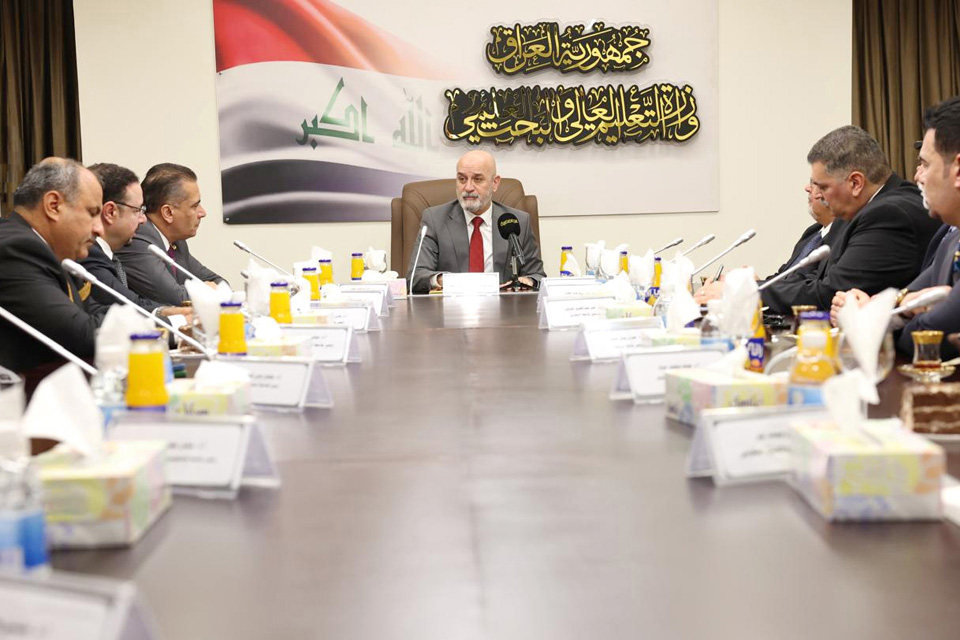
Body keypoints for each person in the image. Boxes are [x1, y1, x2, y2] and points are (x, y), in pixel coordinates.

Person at [758, 125, 937, 313]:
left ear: (855, 183)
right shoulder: (855, 210)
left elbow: (831, 292)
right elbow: (815, 278)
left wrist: (750, 294)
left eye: (824, 187)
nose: (820, 196)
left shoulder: (890, 215)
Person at [833, 96, 960, 358]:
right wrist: (897, 305)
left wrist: (877, 317)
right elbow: (910, 296)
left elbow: (926, 335)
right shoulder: (949, 235)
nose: (917, 176)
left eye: (925, 164)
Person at [0, 158, 102, 381]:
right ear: (54, 206)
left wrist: (166, 319)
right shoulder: (16, 248)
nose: (99, 229)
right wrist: (166, 328)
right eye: (92, 212)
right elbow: (81, 335)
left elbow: (90, 312)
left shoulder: (49, 250)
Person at [407, 150, 545, 294]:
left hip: (505, 304)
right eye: (462, 179)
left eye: (477, 179)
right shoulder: (435, 219)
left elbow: (537, 275)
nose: (468, 187)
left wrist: (528, 281)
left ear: (495, 183)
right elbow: (416, 276)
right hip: (452, 305)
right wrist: (445, 280)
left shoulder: (517, 221)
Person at [81, 163, 191, 321]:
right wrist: (179, 318)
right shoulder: (89, 254)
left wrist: (172, 313)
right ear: (110, 212)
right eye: (138, 210)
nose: (143, 219)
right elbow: (125, 304)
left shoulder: (105, 253)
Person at [117, 163, 225, 305]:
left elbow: (218, 282)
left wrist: (215, 289)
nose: (202, 213)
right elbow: (175, 299)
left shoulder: (176, 242)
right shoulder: (138, 239)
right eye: (194, 206)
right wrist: (208, 290)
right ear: (168, 212)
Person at [765, 181, 845, 279]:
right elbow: (785, 275)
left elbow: (809, 282)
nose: (807, 188)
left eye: (815, 183)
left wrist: (760, 286)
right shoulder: (812, 232)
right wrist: (756, 283)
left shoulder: (842, 239)